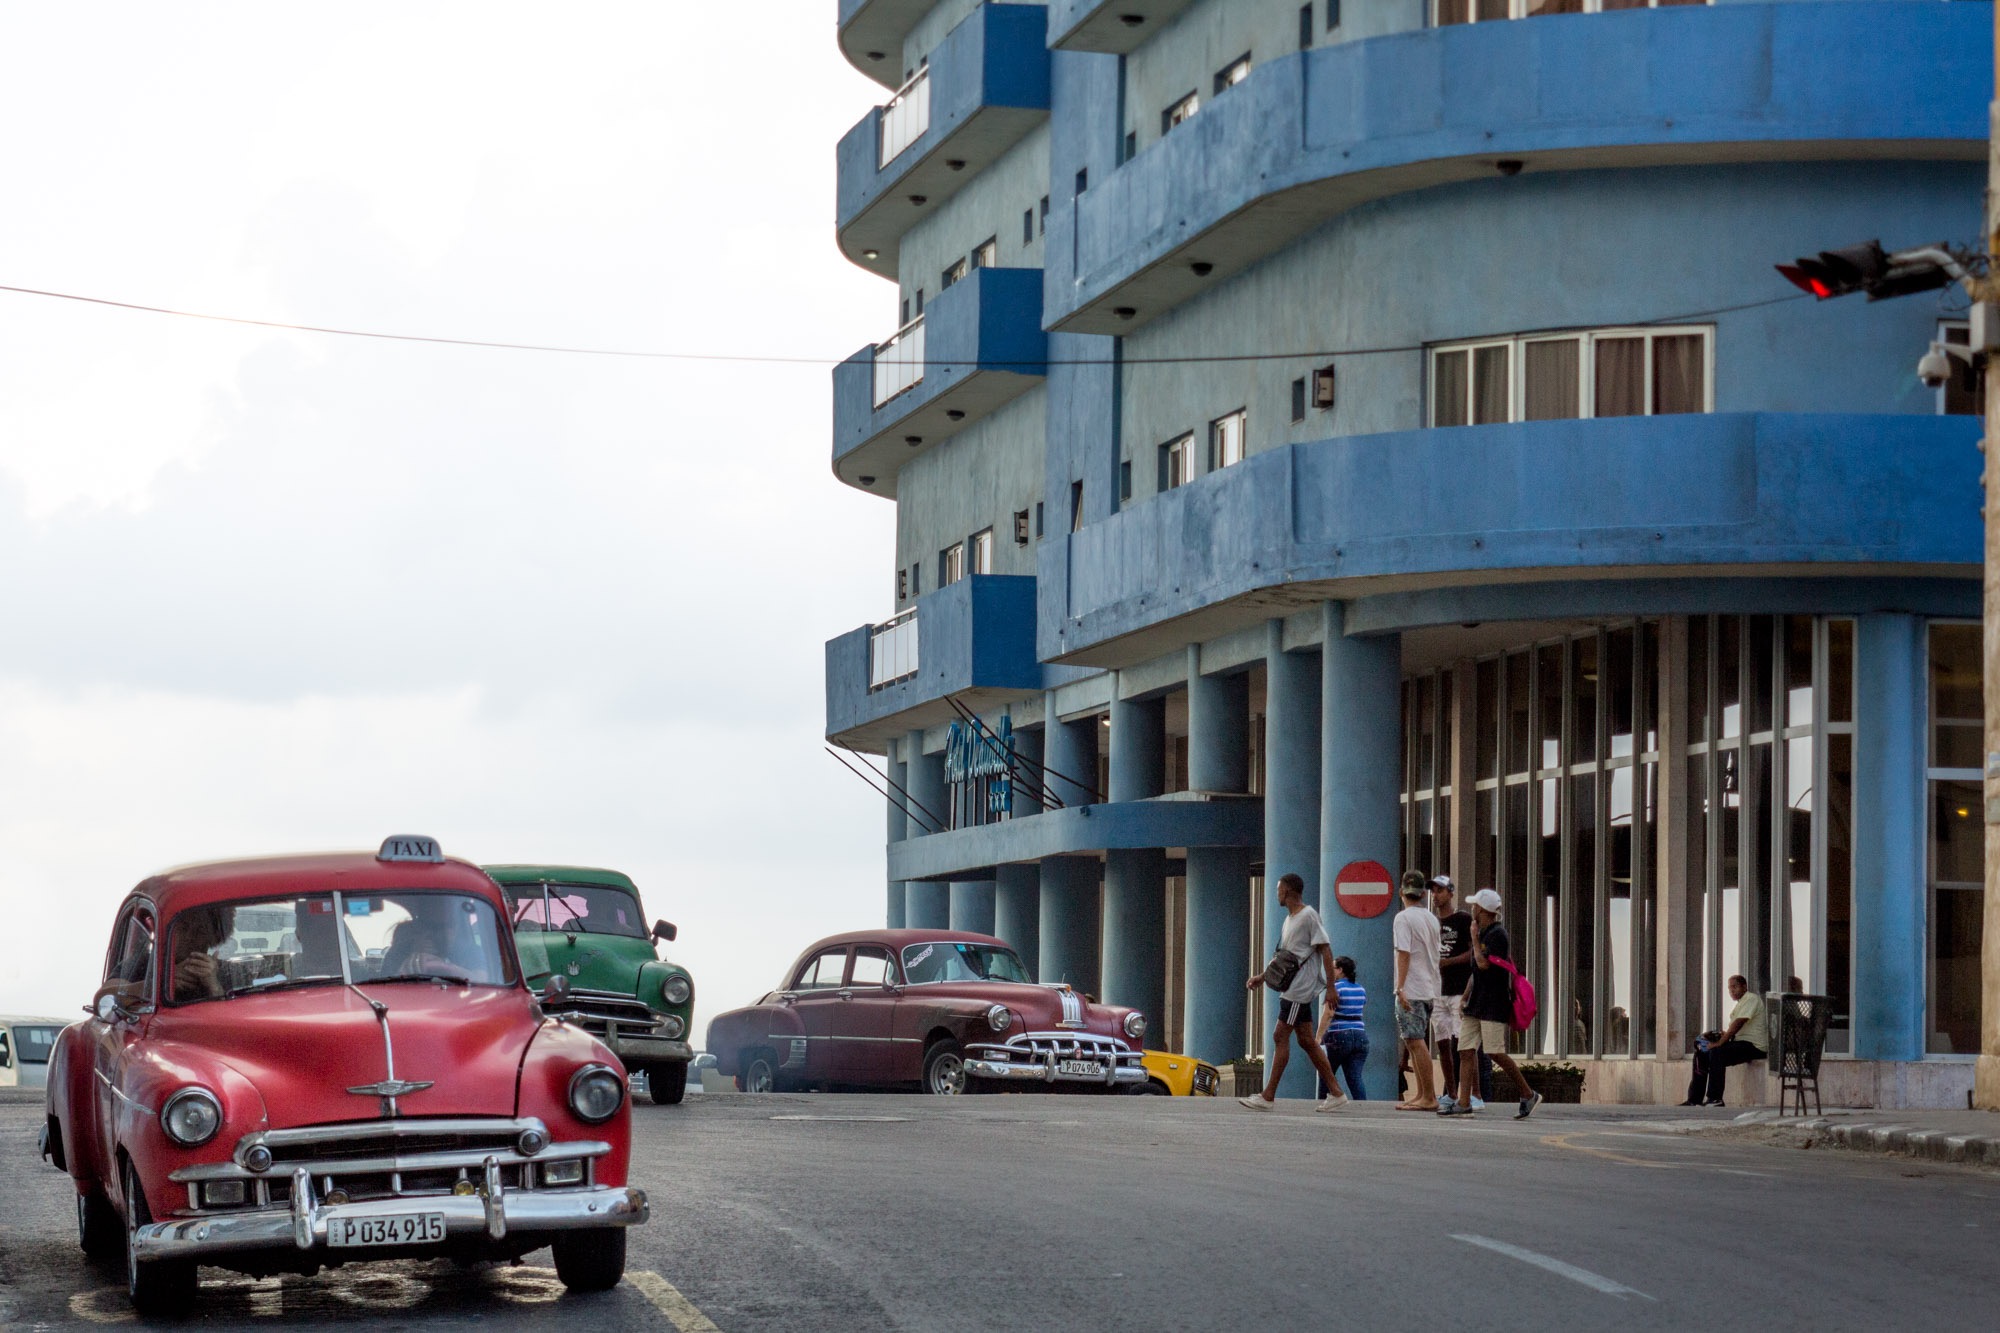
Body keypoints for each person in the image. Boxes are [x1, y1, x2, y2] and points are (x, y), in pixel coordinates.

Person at [1239, 873, 1350, 1113]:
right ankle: (1337, 1092)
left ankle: (1268, 1095)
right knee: (1307, 1041)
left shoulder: (1308, 916)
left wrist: (1330, 987)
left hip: (1299, 990)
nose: (1276, 893)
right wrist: (1262, 976)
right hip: (1291, 987)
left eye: (1279, 889)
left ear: (1288, 891)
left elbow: (1326, 950)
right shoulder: (1290, 919)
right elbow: (1284, 958)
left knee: (1280, 1036)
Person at [1442, 889, 1541, 1120]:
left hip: (1494, 1004)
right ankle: (1463, 1101)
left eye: (1475, 906)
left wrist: (1474, 939)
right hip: (1477, 1002)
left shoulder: (1497, 935)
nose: (1473, 910)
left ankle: (1528, 1093)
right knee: (1465, 1049)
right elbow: (1476, 972)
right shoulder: (1485, 932)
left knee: (1495, 1051)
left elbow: (1483, 964)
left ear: (1484, 910)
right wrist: (1466, 995)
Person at [1391, 874, 1442, 1111]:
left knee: (1415, 1040)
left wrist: (1400, 987)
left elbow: (1404, 952)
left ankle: (1429, 1096)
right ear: (1423, 893)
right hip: (1429, 987)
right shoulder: (1431, 918)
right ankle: (1422, 1093)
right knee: (1414, 1040)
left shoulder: (1403, 918)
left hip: (1412, 988)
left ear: (1402, 892)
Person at [1682, 975, 1766, 1107]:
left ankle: (1715, 1099)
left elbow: (1738, 1023)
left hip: (1755, 1046)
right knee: (1701, 1053)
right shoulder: (1740, 1005)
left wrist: (1720, 1042)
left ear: (1744, 987)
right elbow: (1734, 1031)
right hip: (1741, 1043)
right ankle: (1694, 1099)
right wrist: (1721, 1034)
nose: (1731, 991)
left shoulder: (1751, 998)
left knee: (1717, 1052)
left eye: (1735, 987)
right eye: (1729, 988)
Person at [1429, 875, 1474, 1112]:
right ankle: (1451, 1091)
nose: (1435, 895)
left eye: (1440, 891)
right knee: (1442, 1043)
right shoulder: (1431, 921)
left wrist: (1448, 963)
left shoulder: (1463, 919)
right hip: (1438, 990)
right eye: (1433, 891)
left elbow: (1472, 953)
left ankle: (1472, 1093)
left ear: (1450, 893)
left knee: (1462, 1042)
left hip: (1458, 988)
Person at [1314, 956, 1368, 1101]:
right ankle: (1363, 1107)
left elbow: (1329, 1013)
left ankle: (1322, 1102)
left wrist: (1318, 1037)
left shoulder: (1335, 988)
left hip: (1338, 1035)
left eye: (1332, 968)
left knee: (1327, 1073)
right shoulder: (1361, 989)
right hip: (1360, 1036)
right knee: (1355, 1077)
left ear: (1340, 970)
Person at [170, 904, 234, 1002]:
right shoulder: (152, 965)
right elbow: (138, 997)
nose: (189, 937)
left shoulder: (228, 972)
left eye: (199, 931)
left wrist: (214, 985)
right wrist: (164, 982)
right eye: (184, 928)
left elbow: (232, 1012)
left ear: (213, 938)